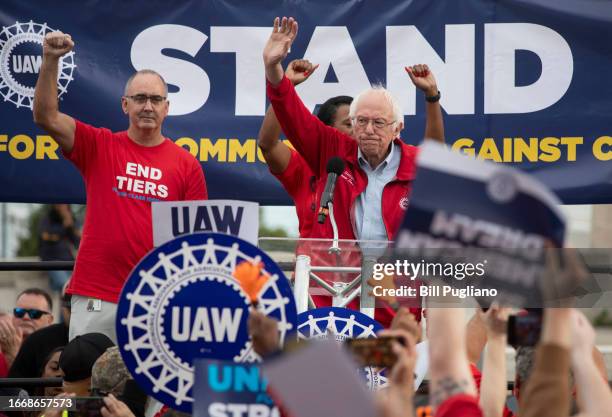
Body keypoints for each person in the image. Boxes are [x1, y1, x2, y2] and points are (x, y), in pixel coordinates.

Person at [33, 31, 208, 343]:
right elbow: (46, 116)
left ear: (167, 108)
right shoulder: (99, 145)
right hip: (97, 293)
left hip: (157, 300)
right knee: (86, 388)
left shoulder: (187, 164)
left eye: (155, 99)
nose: (148, 106)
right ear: (125, 105)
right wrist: (50, 60)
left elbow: (195, 242)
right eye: (140, 98)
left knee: (148, 392)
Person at [263, 17, 444, 243]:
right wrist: (272, 67)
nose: (368, 130)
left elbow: (437, 158)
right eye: (360, 121)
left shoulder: (413, 163)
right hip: (337, 275)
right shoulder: (333, 150)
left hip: (394, 277)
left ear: (398, 128)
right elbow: (290, 112)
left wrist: (431, 96)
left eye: (378, 123)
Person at [38, 204, 80, 292]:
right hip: (52, 261)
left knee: (78, 285)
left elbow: (78, 242)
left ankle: (55, 287)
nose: (62, 207)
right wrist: (63, 226)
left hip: (69, 261)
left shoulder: (71, 221)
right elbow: (46, 236)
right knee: (65, 284)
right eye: (60, 205)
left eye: (65, 205)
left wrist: (71, 226)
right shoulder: (48, 219)